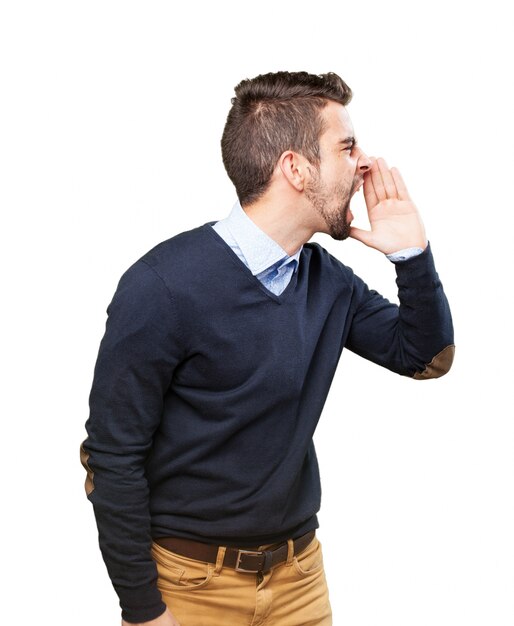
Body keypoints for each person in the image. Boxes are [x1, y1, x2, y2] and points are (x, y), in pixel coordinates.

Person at [80, 70, 455, 626]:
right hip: (190, 587)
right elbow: (111, 458)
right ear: (296, 168)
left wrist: (412, 256)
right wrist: (143, 610)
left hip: (299, 580)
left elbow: (425, 359)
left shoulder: (327, 279)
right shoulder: (162, 286)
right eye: (346, 147)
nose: (365, 165)